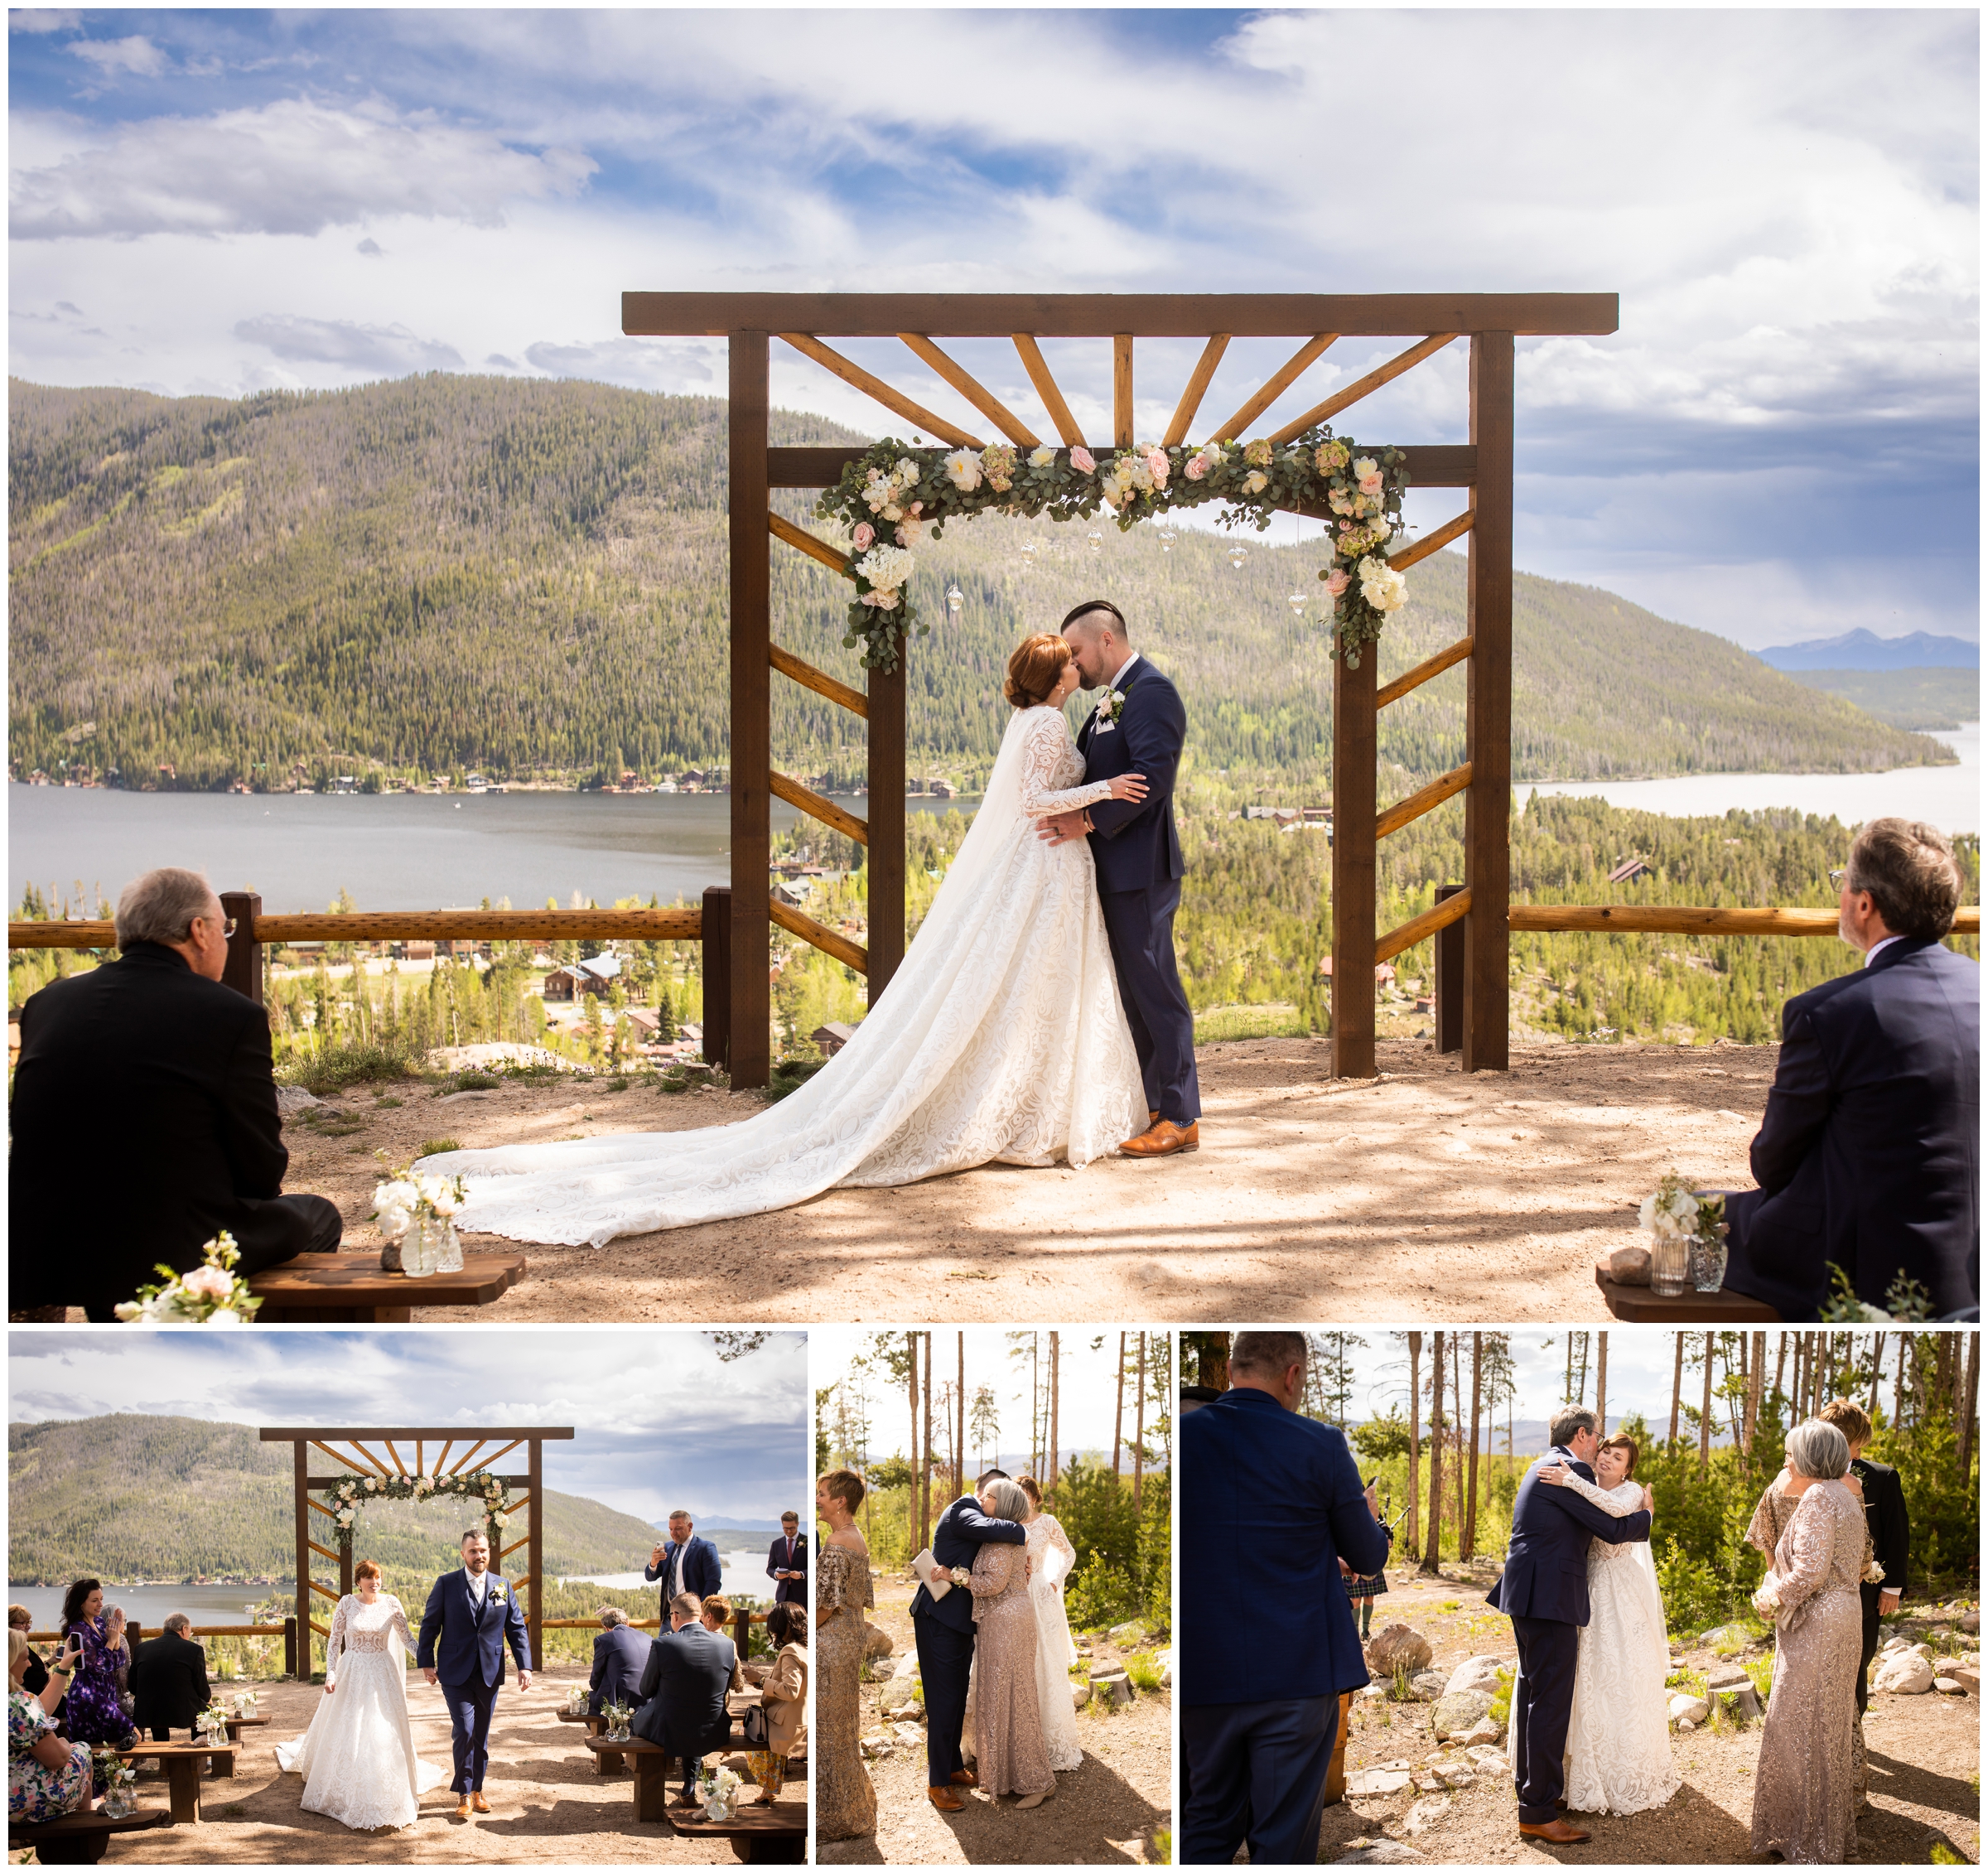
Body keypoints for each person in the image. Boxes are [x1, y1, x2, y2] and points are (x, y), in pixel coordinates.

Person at [422, 628, 1153, 1242]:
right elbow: (1032, 800)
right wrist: (1105, 790)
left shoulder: (1031, 722)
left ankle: (1034, 1104)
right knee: (1039, 985)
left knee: (1035, 984)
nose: (1075, 670)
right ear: (1052, 675)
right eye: (1068, 664)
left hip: (1049, 866)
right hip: (1045, 863)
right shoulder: (1049, 723)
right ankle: (1039, 1109)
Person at [9, 867, 345, 1319]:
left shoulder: (48, 1004)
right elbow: (262, 1172)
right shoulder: (230, 1016)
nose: (226, 938)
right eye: (226, 927)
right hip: (165, 1253)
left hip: (41, 1247)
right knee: (316, 1216)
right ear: (199, 932)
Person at [1722, 818, 1979, 1320]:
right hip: (1974, 1258)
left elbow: (1772, 1164)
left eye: (1842, 882)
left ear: (1864, 905)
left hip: (1873, 1271)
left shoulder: (1829, 1013)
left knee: (1696, 1213)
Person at [1180, 1330, 1390, 1867]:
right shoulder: (1319, 1443)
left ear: (1230, 1370)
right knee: (1283, 1838)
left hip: (1205, 1673)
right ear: (1293, 1374)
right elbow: (1367, 1555)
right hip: (1297, 1673)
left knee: (1206, 1821)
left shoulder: (1185, 1436)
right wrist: (1364, 1513)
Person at [1038, 600, 1200, 1157]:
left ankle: (1181, 1115)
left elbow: (1153, 777)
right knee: (1132, 995)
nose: (1074, 665)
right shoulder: (1108, 700)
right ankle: (1156, 1104)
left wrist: (1085, 820)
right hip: (1110, 870)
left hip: (1141, 871)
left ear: (1106, 640)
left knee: (1157, 990)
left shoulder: (1152, 691)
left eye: (1077, 652)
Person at [1485, 1408, 1655, 1846]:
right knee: (1550, 1702)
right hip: (1551, 1598)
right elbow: (1613, 1530)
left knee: (1532, 1694)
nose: (1599, 1446)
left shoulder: (1540, 1464)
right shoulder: (1570, 1468)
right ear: (1582, 1435)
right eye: (1597, 1437)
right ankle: (1539, 1811)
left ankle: (1532, 1795)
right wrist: (1648, 1517)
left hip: (1526, 1595)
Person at [1535, 1435, 1681, 1816]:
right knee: (1584, 1677)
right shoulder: (1589, 1485)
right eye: (1605, 1452)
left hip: (1617, 1589)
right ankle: (1574, 1770)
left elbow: (1614, 1514)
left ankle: (1625, 1767)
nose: (1608, 1460)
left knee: (1620, 1674)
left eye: (1618, 1458)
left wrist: (1571, 1481)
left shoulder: (1632, 1493)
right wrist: (1576, 1483)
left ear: (1628, 1468)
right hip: (1583, 1584)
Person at [1750, 1418, 1867, 1863]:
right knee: (1826, 1726)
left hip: (1819, 1623)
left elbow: (1811, 1572)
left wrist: (1771, 1596)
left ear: (1810, 1458)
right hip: (1843, 1616)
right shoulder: (1845, 1495)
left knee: (1798, 1724)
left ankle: (1808, 1841)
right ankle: (1824, 1835)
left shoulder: (1820, 1496)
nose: (1786, 1460)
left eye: (1789, 1452)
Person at [277, 1559, 445, 1830]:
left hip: (382, 1671)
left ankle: (382, 1780)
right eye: (369, 1578)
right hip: (352, 1670)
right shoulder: (346, 1603)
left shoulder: (392, 1603)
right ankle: (344, 1782)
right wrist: (331, 1673)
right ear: (359, 1581)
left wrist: (427, 1663)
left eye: (377, 1578)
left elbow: (407, 1639)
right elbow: (334, 1641)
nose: (374, 1582)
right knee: (350, 1725)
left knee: (381, 1727)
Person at [911, 1467, 1029, 1814]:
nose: (989, 1501)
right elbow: (1005, 1529)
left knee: (955, 1696)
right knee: (942, 1699)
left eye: (995, 1497)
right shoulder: (964, 1509)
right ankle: (937, 1783)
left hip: (961, 1623)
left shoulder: (980, 1515)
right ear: (981, 1492)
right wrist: (1023, 1530)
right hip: (938, 1618)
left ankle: (951, 1766)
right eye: (990, 1495)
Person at [416, 1529, 532, 1822]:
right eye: (472, 1551)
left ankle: (478, 1790)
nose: (478, 1556)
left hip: (490, 1672)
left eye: (483, 1551)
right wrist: (426, 1662)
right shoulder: (446, 1584)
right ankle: (464, 1793)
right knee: (465, 1730)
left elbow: (516, 1628)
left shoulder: (502, 1585)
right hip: (455, 1670)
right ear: (463, 1554)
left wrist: (524, 1665)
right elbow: (430, 1624)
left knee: (481, 1734)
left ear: (488, 1552)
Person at [965, 1476, 1055, 1809]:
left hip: (1009, 1621)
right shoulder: (1000, 1534)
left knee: (1015, 1696)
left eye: (988, 1496)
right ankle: (1004, 1776)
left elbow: (993, 1584)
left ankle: (1038, 1781)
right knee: (1000, 1694)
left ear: (1001, 1504)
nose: (982, 1500)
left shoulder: (1004, 1538)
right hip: (998, 1621)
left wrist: (954, 1576)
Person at [814, 1468, 877, 1842]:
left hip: (832, 1641)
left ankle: (838, 1816)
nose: (818, 1498)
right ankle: (853, 1805)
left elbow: (825, 1604)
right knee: (841, 1728)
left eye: (822, 1493)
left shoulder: (838, 1542)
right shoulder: (856, 1536)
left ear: (840, 1501)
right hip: (851, 1637)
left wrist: (807, 1632)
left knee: (830, 1731)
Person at [630, 1591, 736, 1804]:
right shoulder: (727, 1645)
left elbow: (646, 1690)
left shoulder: (663, 1645)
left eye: (670, 1616)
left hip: (669, 1728)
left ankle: (652, 1791)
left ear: (675, 1616)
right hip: (714, 1728)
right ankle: (688, 1787)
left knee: (640, 1719)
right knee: (693, 1718)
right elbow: (724, 1689)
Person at [1016, 1475, 1083, 1773]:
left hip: (1042, 1595)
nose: (1024, 1498)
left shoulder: (1048, 1522)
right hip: (1014, 1596)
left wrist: (1055, 1582)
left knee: (1047, 1663)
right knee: (1024, 1665)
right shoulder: (1008, 1524)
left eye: (1028, 1494)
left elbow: (1069, 1553)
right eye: (1019, 1493)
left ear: (1035, 1497)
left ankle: (1054, 1737)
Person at [10, 1626, 93, 1825]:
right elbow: (58, 1759)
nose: (29, 1664)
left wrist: (63, 1667)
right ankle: (81, 1832)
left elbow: (39, 1710)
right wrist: (64, 1743)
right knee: (82, 1750)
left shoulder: (20, 1706)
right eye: (24, 1658)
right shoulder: (17, 1703)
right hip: (18, 1805)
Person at [56, 1581, 137, 1754]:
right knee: (128, 1736)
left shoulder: (100, 1623)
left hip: (105, 1696)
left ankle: (113, 1780)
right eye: (95, 1600)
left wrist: (115, 1641)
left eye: (101, 1599)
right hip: (88, 1698)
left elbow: (119, 1659)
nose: (100, 1604)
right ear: (81, 1603)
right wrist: (111, 1640)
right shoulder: (78, 1629)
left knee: (118, 1745)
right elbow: (99, 1666)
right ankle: (111, 1779)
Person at [747, 1602, 808, 1804]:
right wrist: (760, 1681)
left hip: (788, 1724)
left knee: (747, 1732)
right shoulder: (805, 1648)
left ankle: (769, 1788)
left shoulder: (790, 1652)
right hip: (800, 1718)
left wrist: (763, 1680)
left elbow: (791, 1691)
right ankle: (769, 1790)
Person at [129, 1614, 211, 1742]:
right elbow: (201, 1686)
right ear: (184, 1629)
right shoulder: (194, 1649)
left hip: (149, 1710)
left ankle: (161, 1746)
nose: (189, 1635)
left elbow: (132, 1685)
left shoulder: (142, 1648)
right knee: (205, 1711)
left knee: (157, 1707)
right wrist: (207, 1699)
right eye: (190, 1632)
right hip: (181, 1710)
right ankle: (199, 1749)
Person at [644, 1513, 721, 1626]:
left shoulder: (705, 1548)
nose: (673, 1533)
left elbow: (713, 1582)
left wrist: (700, 1611)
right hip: (669, 1617)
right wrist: (653, 1563)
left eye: (678, 1529)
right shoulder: (667, 1548)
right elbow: (650, 1577)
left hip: (694, 1619)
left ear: (690, 1526)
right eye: (670, 1529)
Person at [586, 1606, 649, 1718]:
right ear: (627, 1622)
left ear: (606, 1628)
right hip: (647, 1698)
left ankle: (606, 1731)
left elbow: (596, 1677)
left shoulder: (604, 1639)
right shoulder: (648, 1638)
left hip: (619, 1699)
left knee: (587, 1700)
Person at [698, 1596, 746, 1692]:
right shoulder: (731, 1644)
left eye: (702, 1616)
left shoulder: (700, 1640)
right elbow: (737, 1682)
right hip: (722, 1697)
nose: (701, 1620)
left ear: (709, 1617)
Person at [766, 1513, 808, 1607]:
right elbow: (770, 1568)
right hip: (782, 1596)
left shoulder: (809, 1542)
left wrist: (801, 1574)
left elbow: (817, 1568)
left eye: (792, 1528)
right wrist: (776, 1575)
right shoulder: (776, 1544)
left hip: (804, 1597)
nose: (789, 1531)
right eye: (786, 1528)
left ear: (798, 1524)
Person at [7, 1609, 49, 1699]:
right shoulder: (20, 1652)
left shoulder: (23, 1649)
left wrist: (50, 1662)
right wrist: (62, 1670)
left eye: (28, 1622)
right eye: (23, 1623)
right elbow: (47, 1683)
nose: (29, 1627)